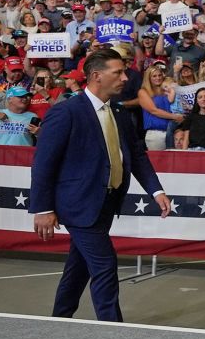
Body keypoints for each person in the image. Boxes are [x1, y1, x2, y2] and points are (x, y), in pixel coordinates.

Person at [29, 50, 172, 322]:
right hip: (77, 204)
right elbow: (43, 163)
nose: (125, 77)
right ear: (96, 76)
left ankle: (59, 317)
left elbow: (137, 155)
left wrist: (156, 190)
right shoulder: (65, 112)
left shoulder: (118, 112)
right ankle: (111, 329)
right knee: (105, 265)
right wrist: (43, 208)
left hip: (107, 202)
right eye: (117, 72)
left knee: (79, 265)